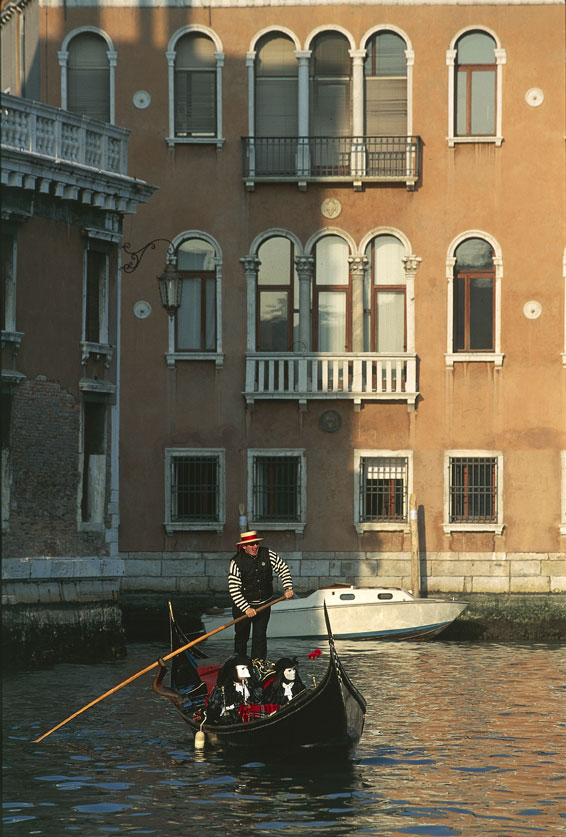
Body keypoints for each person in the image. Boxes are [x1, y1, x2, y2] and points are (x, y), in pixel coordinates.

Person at [228, 530, 294, 665]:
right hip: (243, 607)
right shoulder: (236, 562)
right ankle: (239, 665)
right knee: (241, 637)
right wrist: (246, 608)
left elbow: (283, 568)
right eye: (251, 544)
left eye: (256, 543)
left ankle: (258, 665)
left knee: (260, 637)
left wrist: (287, 587)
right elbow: (234, 588)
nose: (255, 547)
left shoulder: (268, 554)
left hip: (264, 604)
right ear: (244, 546)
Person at [206, 654, 262, 724]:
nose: (247, 672)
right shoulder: (224, 688)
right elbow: (215, 706)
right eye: (243, 669)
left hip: (247, 715)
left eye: (247, 668)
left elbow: (257, 701)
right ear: (233, 671)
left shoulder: (250, 685)